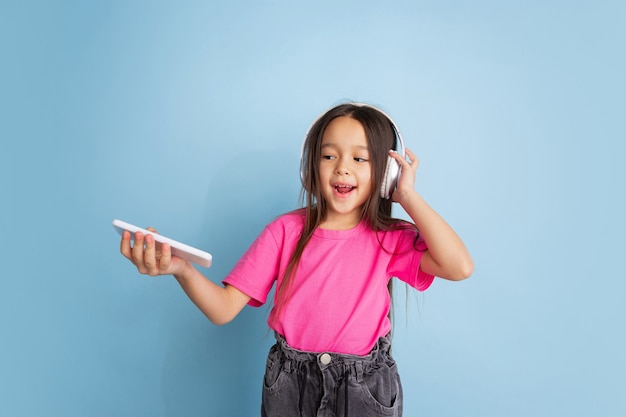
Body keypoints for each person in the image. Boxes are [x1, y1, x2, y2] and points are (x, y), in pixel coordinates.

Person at [119, 102, 473, 417]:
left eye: (359, 158)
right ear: (312, 166)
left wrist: (407, 196)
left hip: (364, 389)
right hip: (290, 386)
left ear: (385, 174)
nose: (342, 169)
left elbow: (459, 266)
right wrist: (180, 268)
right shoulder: (284, 231)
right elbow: (223, 308)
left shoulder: (389, 237)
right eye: (329, 156)